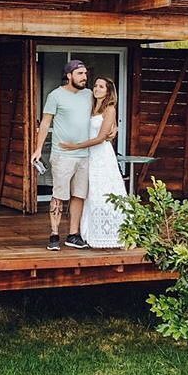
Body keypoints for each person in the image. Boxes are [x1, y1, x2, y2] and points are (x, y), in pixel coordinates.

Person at [59, 76, 128, 248]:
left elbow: (101, 138)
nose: (97, 89)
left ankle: (111, 233)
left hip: (101, 155)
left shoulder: (109, 109)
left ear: (108, 91)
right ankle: (88, 233)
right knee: (88, 193)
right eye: (96, 86)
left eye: (101, 87)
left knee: (103, 192)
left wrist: (76, 146)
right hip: (87, 154)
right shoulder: (90, 105)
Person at [31, 59, 92, 250]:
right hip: (62, 155)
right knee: (59, 194)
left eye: (85, 74)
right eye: (80, 74)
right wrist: (38, 149)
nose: (84, 77)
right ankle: (54, 235)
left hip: (84, 154)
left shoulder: (89, 95)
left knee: (79, 195)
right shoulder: (55, 96)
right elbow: (46, 123)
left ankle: (73, 235)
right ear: (69, 75)